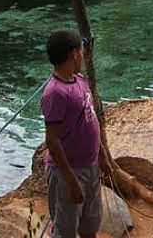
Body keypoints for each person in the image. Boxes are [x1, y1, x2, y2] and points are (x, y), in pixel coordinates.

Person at [41, 30, 102, 238]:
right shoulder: (55, 93)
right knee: (65, 231)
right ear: (73, 54)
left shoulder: (79, 80)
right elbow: (52, 140)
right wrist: (70, 180)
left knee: (90, 226)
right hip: (70, 172)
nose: (84, 55)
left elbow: (90, 118)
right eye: (81, 50)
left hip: (90, 166)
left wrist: (102, 156)